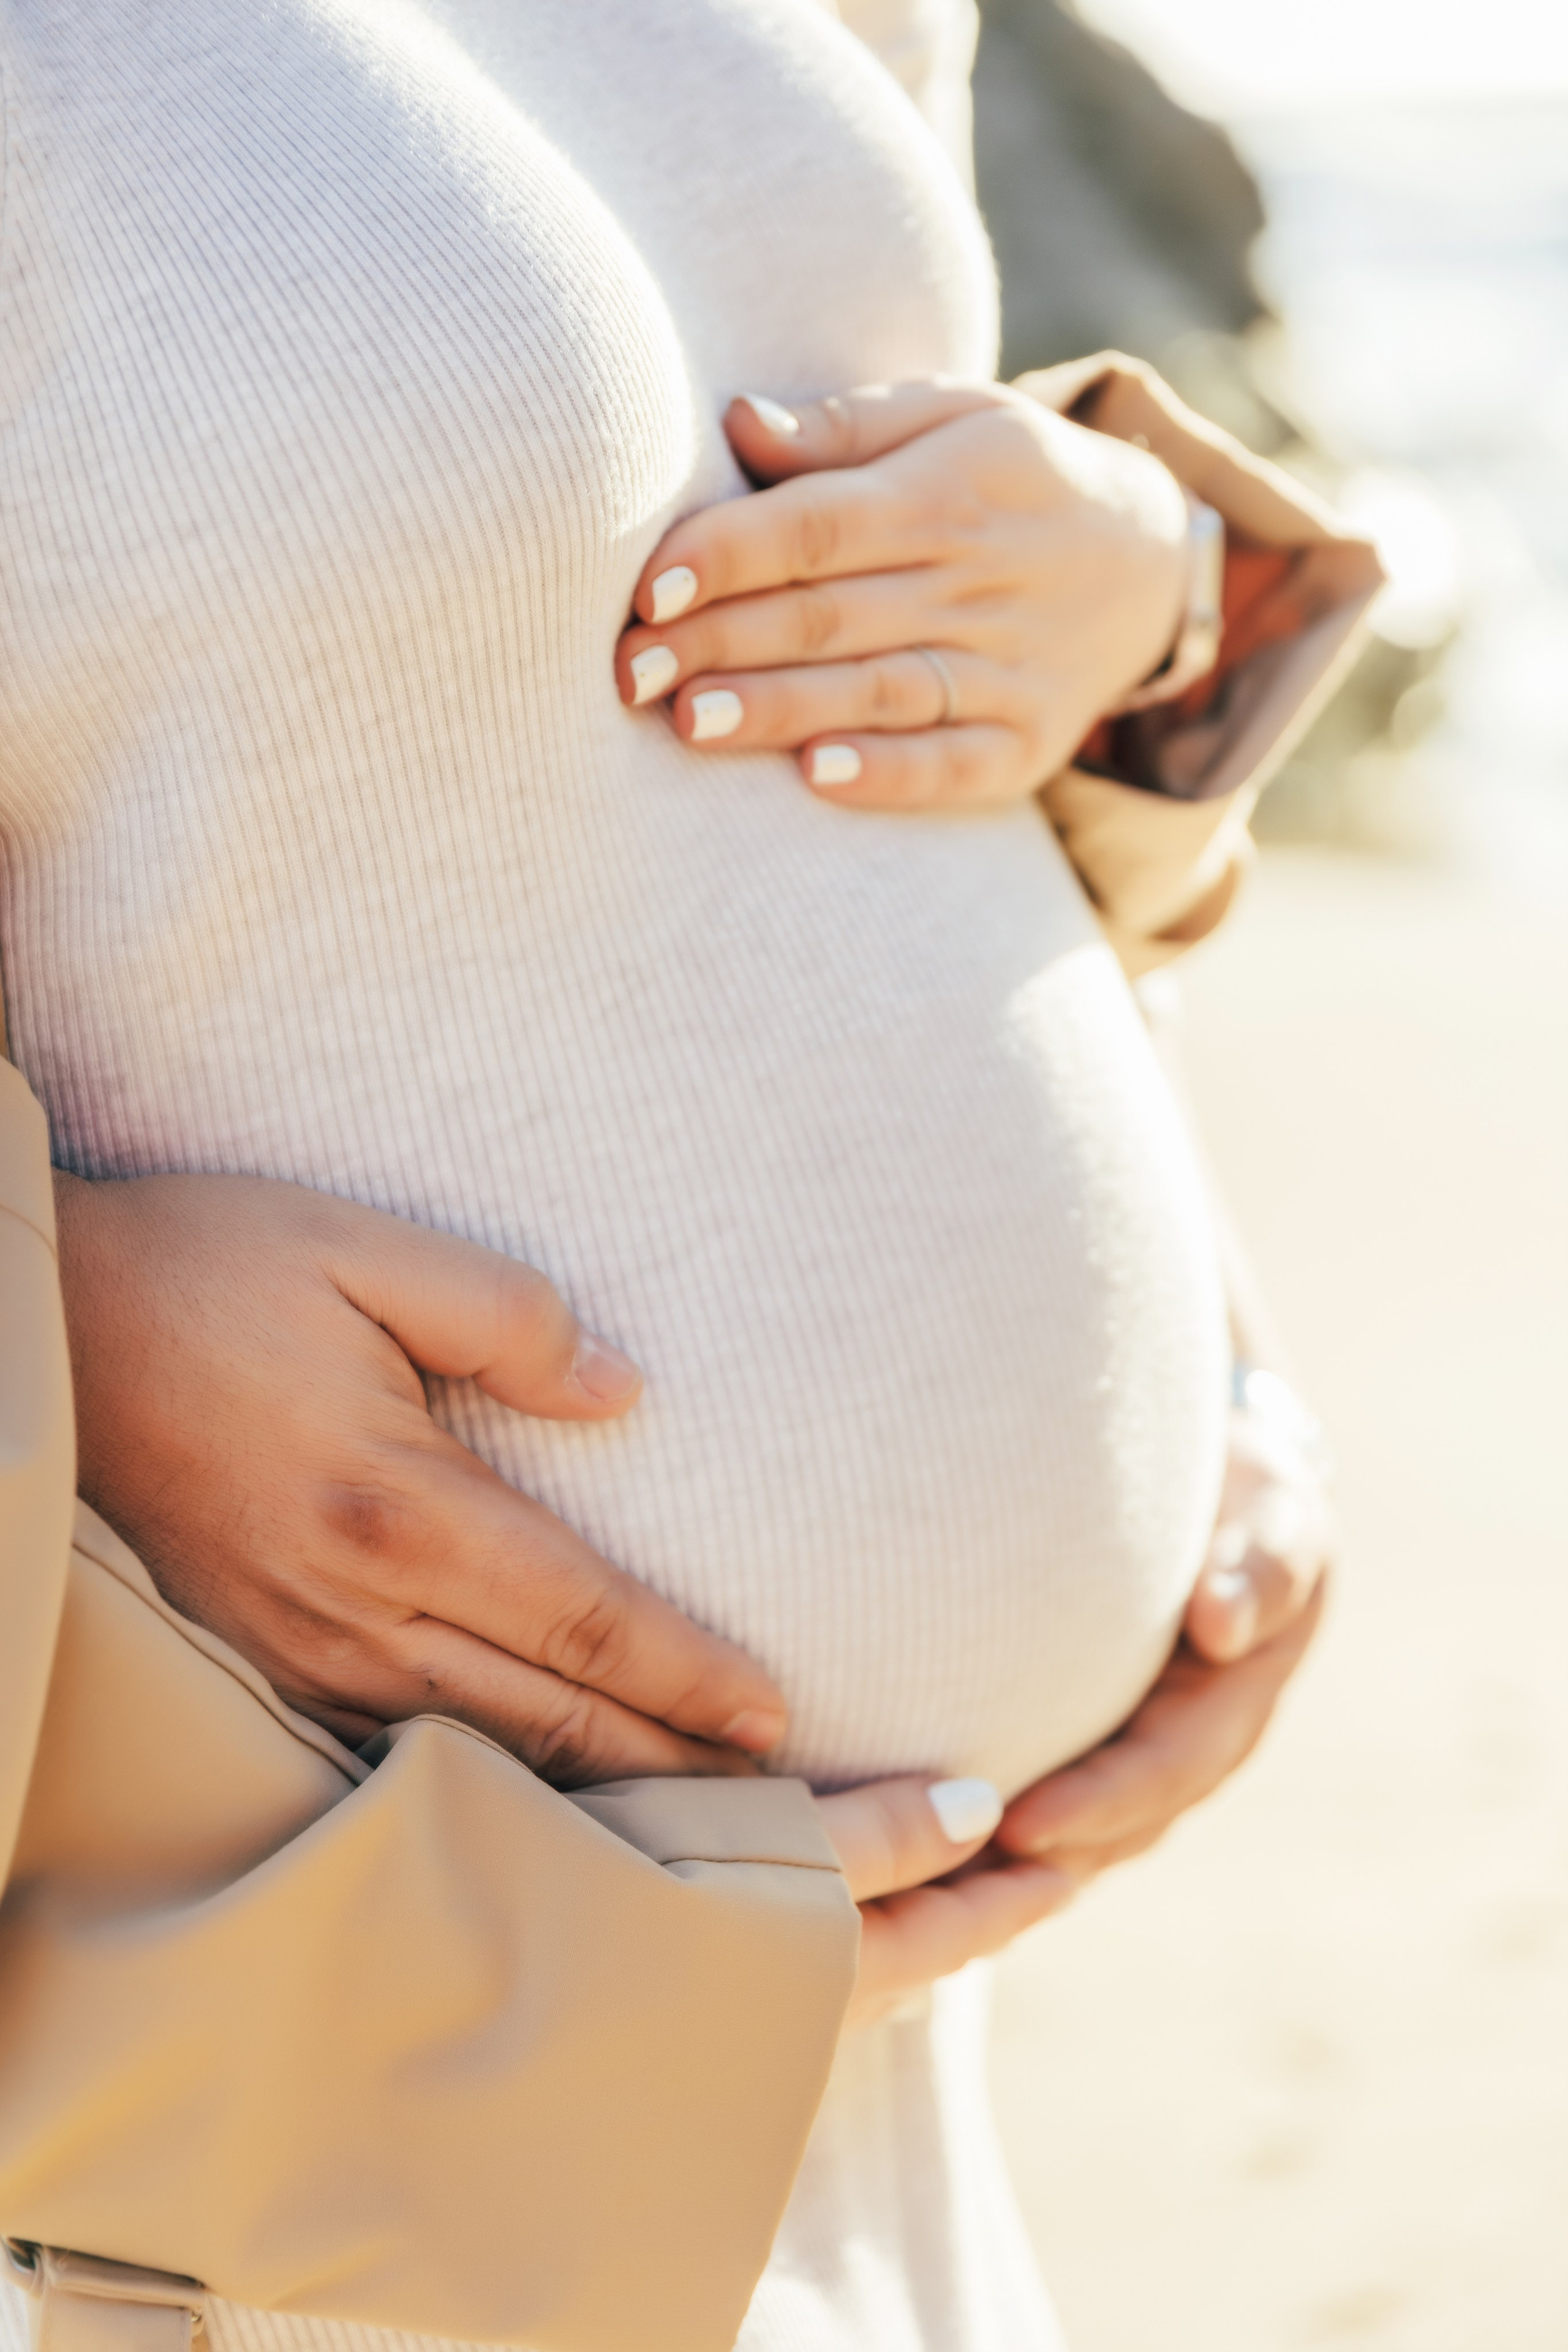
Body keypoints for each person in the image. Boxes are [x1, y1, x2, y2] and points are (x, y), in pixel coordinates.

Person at [0, 2, 1341, 2347]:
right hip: (249, 2081)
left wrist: (1135, 616)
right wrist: (51, 1314)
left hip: (848, 2074)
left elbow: (627, 635)